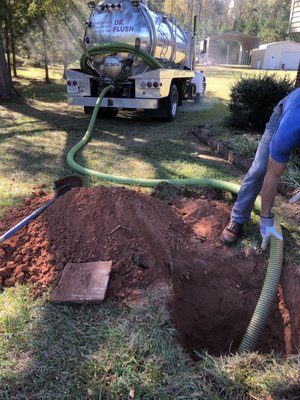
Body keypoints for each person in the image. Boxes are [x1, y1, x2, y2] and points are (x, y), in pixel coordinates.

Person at [221, 87, 300, 249]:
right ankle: (238, 218)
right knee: (260, 169)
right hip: (285, 112)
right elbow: (272, 175)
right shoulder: (289, 128)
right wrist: (266, 220)